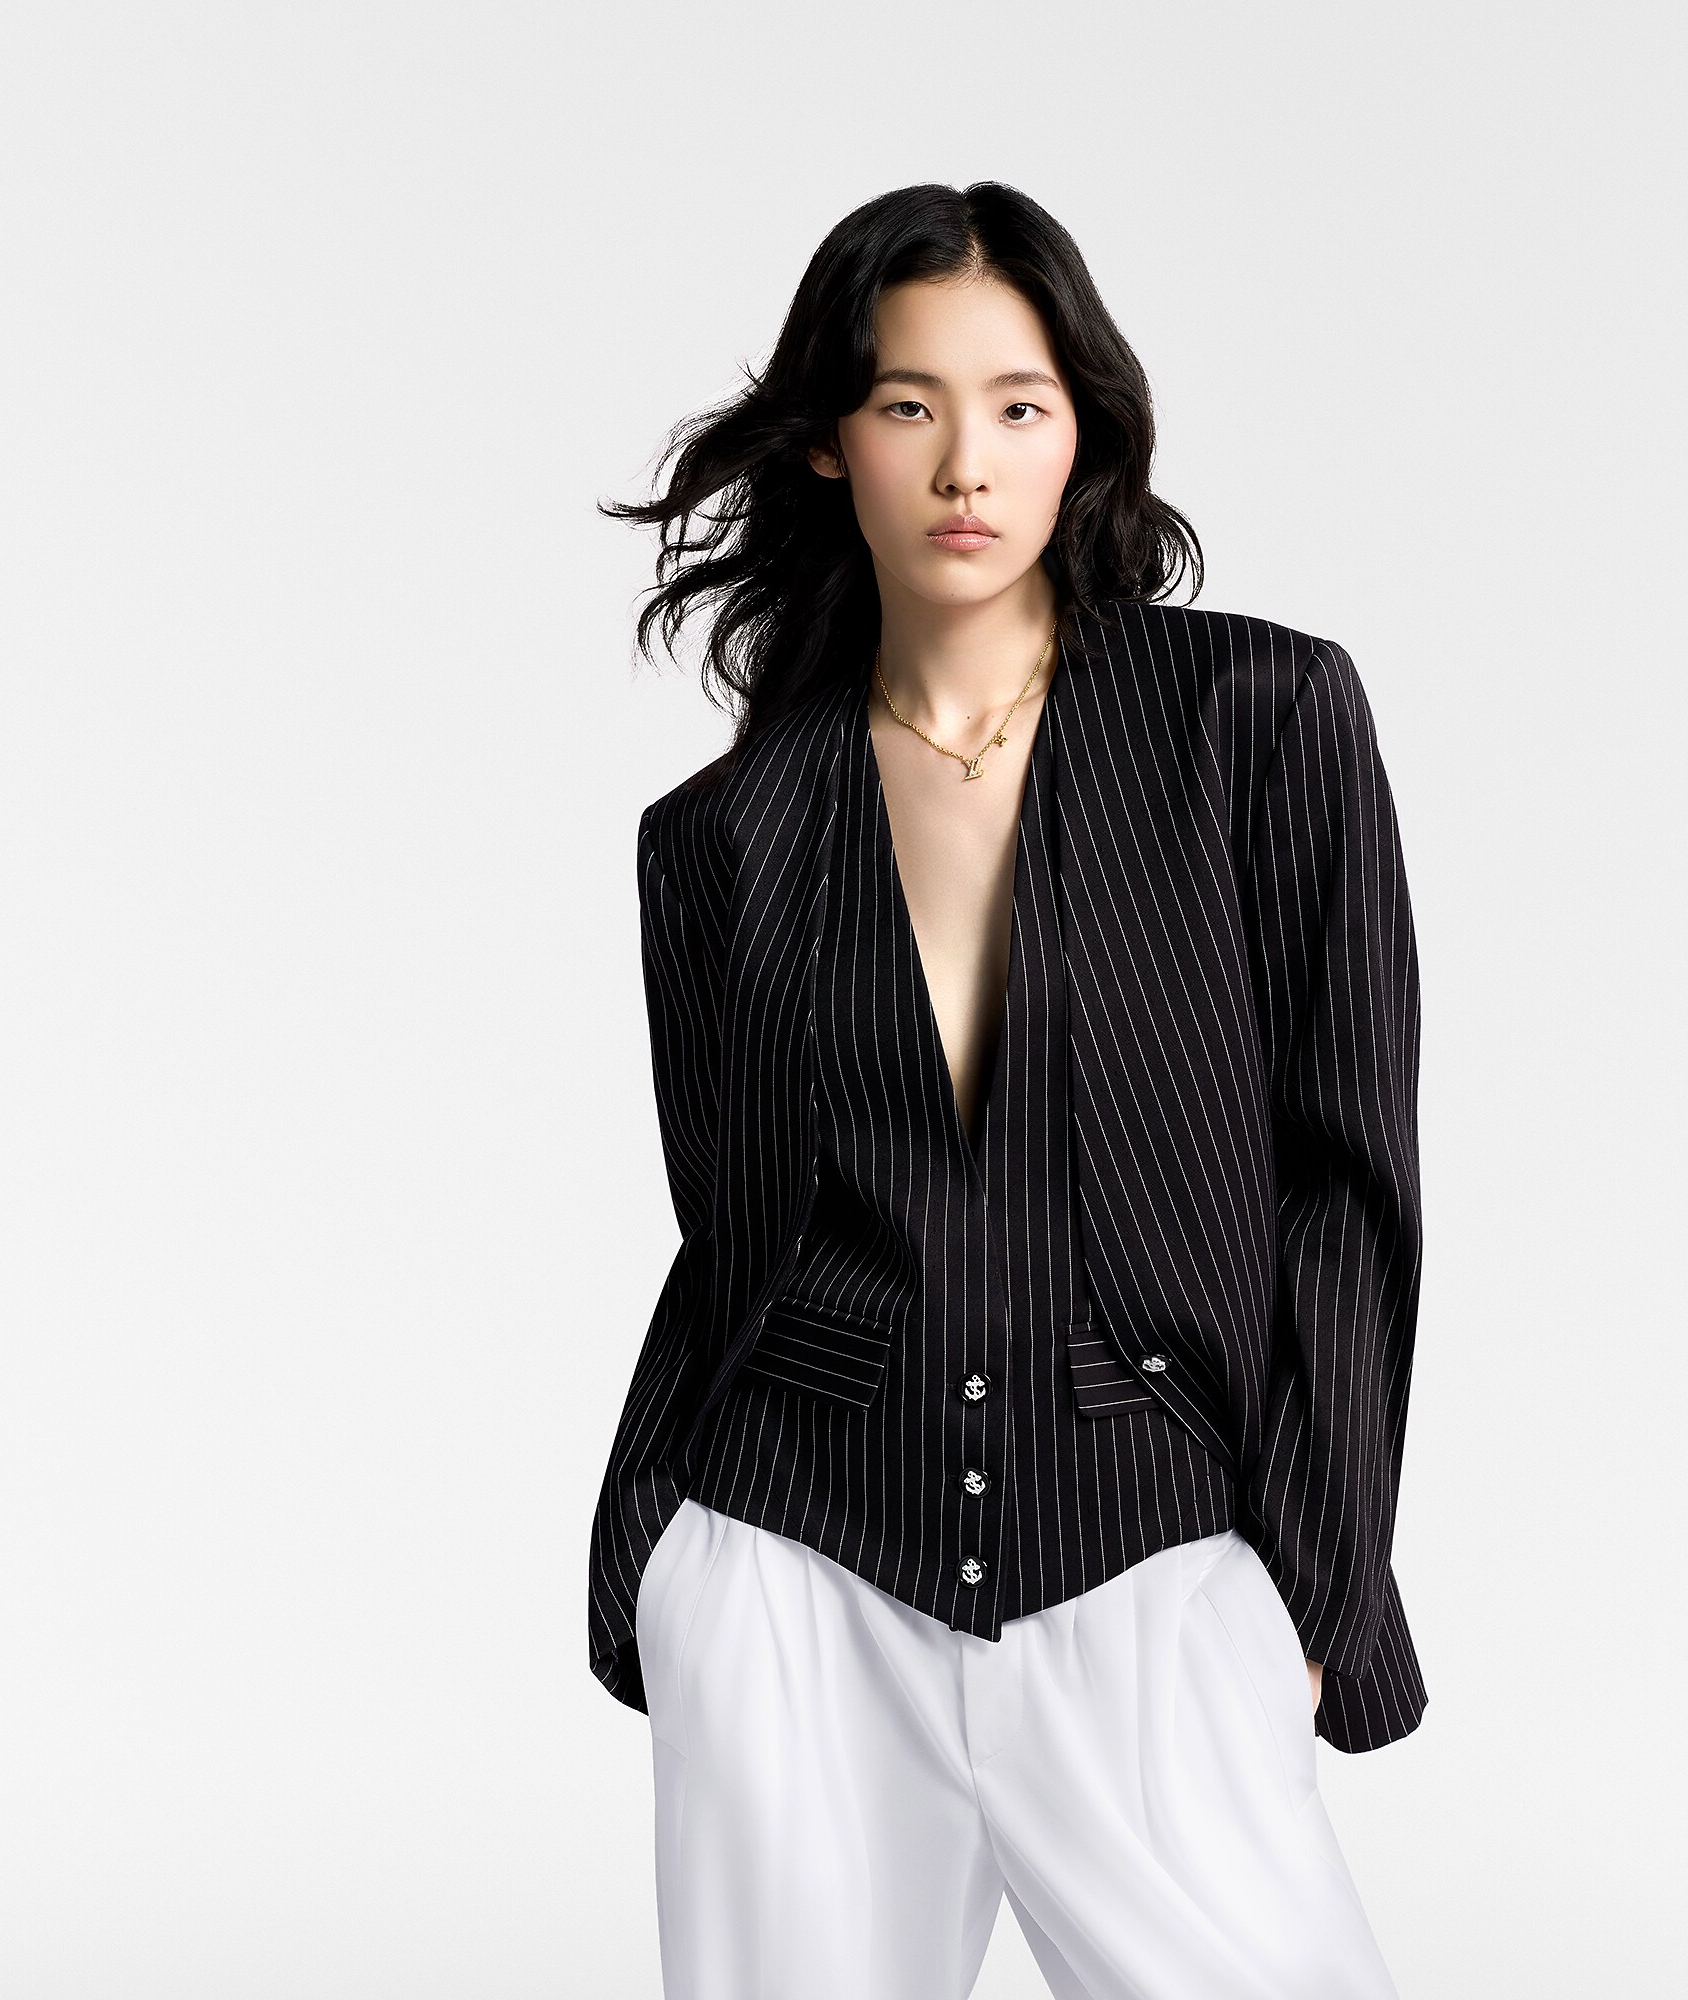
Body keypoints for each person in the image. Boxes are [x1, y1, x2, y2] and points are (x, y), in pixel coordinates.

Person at [589, 181, 1427, 1999]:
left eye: (1019, 405)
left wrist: (1308, 1590)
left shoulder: (1257, 720)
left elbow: (1347, 1184)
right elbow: (735, 1236)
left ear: (1082, 433)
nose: (966, 461)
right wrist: (665, 1562)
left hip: (1151, 1556)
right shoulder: (721, 837)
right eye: (910, 404)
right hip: (796, 1571)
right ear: (832, 441)